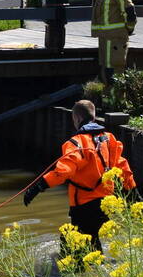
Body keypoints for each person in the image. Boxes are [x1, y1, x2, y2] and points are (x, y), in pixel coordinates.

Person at [23, 99, 135, 251]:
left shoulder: (76, 143)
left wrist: (37, 187)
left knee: (82, 244)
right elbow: (122, 165)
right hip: (107, 203)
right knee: (78, 237)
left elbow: (63, 171)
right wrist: (133, 190)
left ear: (76, 119)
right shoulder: (109, 139)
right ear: (94, 117)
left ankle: (84, 271)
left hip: (84, 205)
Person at [92, 0, 137, 83]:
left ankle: (116, 102)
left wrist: (128, 29)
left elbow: (129, 10)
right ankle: (107, 102)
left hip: (116, 38)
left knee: (114, 73)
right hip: (106, 37)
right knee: (106, 72)